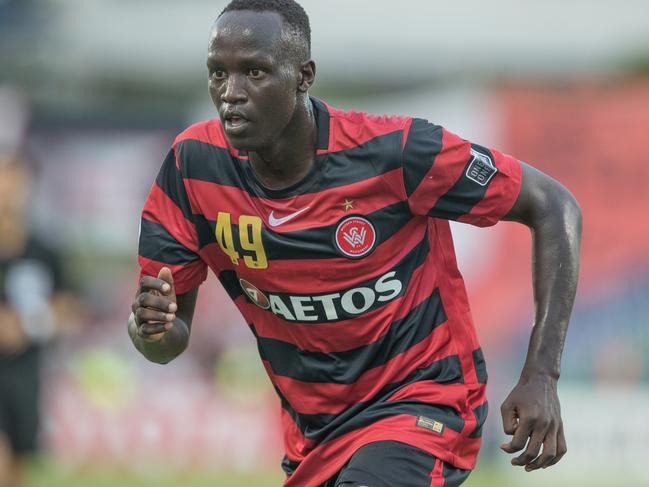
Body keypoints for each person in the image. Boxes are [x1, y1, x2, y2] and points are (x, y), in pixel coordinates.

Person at [129, 1, 582, 485]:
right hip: (315, 435)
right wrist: (150, 328)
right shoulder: (192, 168)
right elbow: (165, 343)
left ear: (303, 76)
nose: (231, 93)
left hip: (422, 403)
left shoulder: (396, 153)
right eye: (218, 73)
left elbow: (554, 206)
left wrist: (541, 375)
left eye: (255, 72)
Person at [0, 156, 74, 487]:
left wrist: (28, 325)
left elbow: (69, 307)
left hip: (26, 375)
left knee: (18, 466)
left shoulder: (42, 250)